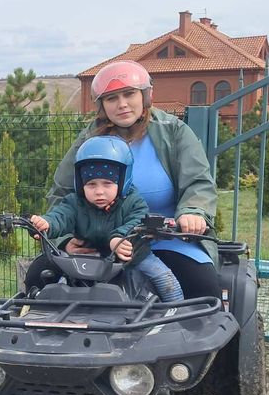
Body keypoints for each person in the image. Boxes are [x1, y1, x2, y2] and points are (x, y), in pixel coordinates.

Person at [45, 60, 219, 300]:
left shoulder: (173, 131)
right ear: (102, 105)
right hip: (100, 240)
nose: (122, 104)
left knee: (204, 288)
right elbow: (62, 191)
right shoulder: (90, 138)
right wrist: (64, 240)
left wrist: (193, 212)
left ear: (146, 96)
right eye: (112, 98)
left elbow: (198, 181)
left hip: (165, 239)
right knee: (39, 277)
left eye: (129, 94)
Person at [28, 136, 183, 302]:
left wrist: (118, 238)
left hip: (133, 257)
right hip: (87, 256)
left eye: (107, 183)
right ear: (80, 183)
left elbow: (137, 221)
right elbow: (61, 216)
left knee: (165, 279)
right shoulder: (75, 202)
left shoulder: (134, 201)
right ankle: (50, 315)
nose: (99, 191)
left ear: (123, 181)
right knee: (58, 285)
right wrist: (47, 223)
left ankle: (176, 313)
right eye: (91, 184)